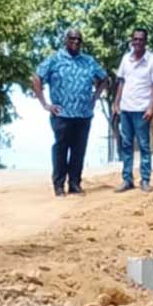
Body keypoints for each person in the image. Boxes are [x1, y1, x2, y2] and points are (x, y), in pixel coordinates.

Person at [31, 29, 109, 197]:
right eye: (72, 39)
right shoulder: (55, 59)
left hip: (83, 114)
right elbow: (36, 77)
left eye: (79, 40)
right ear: (65, 40)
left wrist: (95, 98)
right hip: (62, 114)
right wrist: (45, 104)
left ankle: (75, 184)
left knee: (78, 150)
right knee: (60, 149)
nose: (75, 42)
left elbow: (104, 78)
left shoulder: (88, 61)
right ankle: (58, 185)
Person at [112, 28, 153, 192]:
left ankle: (145, 180)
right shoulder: (126, 59)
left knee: (143, 145)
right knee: (126, 145)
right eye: (135, 39)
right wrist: (116, 103)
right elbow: (121, 82)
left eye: (141, 39)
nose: (138, 42)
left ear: (146, 42)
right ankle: (127, 179)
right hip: (126, 109)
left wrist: (151, 106)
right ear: (132, 41)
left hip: (142, 110)